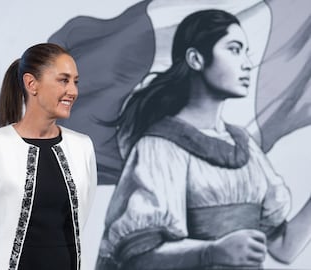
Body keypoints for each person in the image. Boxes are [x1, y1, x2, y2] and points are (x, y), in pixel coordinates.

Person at [95, 9, 311, 270]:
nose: (246, 63)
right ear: (196, 59)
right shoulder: (160, 147)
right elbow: (138, 257)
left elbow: (283, 247)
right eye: (234, 49)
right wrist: (211, 252)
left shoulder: (245, 147)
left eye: (245, 51)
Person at [0, 43, 97, 270]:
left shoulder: (82, 147)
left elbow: (81, 220)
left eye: (75, 81)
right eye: (63, 80)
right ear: (31, 83)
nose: (73, 91)